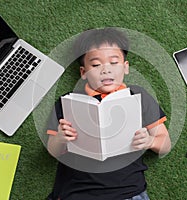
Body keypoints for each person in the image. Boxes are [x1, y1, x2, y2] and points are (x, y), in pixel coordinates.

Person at [46, 27, 171, 200]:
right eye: (96, 65)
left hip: (128, 192)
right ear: (83, 72)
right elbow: (53, 150)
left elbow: (165, 143)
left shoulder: (137, 96)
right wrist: (60, 138)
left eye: (114, 62)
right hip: (78, 193)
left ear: (126, 67)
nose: (106, 70)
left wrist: (149, 141)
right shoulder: (67, 102)